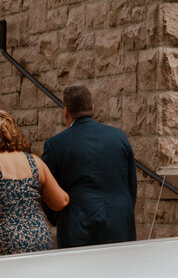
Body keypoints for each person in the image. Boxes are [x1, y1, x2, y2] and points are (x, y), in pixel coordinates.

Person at [0, 110, 69, 258]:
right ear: (15, 133)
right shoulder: (35, 161)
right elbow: (60, 201)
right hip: (39, 237)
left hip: (3, 240)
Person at [41, 84, 138, 247]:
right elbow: (131, 183)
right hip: (119, 222)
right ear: (92, 108)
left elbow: (46, 188)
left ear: (66, 112)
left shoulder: (55, 145)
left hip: (77, 226)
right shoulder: (119, 137)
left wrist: (57, 218)